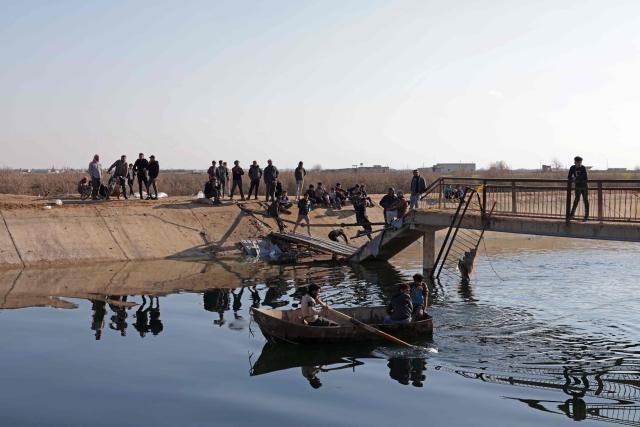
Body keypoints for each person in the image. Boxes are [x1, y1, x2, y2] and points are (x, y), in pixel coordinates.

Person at [568, 156, 589, 221]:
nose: (579, 164)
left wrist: (576, 178)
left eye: (580, 162)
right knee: (576, 200)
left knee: (585, 200)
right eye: (578, 162)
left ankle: (586, 216)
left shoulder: (583, 168)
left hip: (584, 186)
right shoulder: (572, 168)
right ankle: (572, 214)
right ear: (575, 162)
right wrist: (573, 179)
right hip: (577, 186)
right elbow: (569, 177)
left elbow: (585, 177)